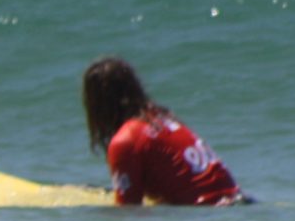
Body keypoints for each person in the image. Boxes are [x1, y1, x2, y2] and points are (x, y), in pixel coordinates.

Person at [82, 57, 246, 206]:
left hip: (207, 213)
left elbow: (128, 211)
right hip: (239, 203)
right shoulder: (164, 120)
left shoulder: (125, 141)